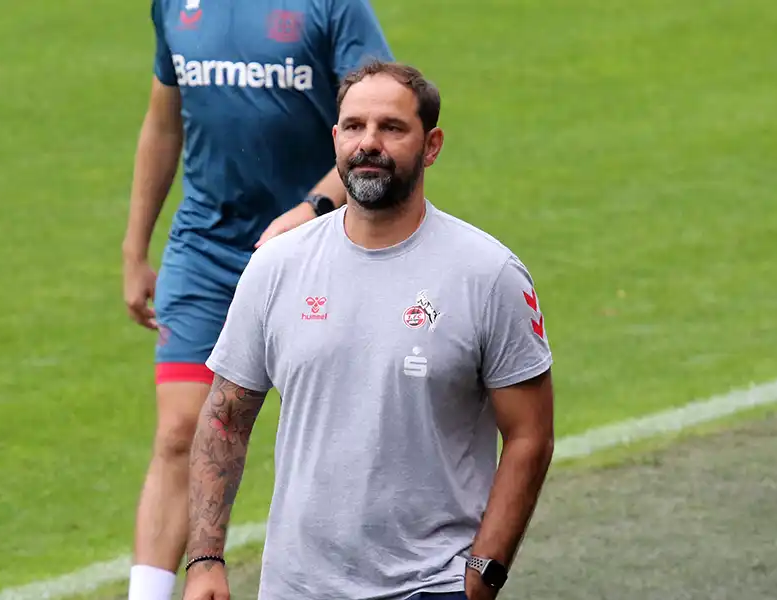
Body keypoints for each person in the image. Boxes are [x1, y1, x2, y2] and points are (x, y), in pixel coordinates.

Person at [182, 60, 557, 600]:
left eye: (392, 128)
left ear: (431, 146)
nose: (369, 143)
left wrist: (482, 577)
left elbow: (529, 437)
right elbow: (224, 421)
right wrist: (204, 560)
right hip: (296, 589)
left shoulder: (488, 274)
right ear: (335, 139)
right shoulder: (276, 267)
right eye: (355, 127)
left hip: (431, 586)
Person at [121, 1, 394, 598]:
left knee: (340, 436)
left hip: (317, 245)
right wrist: (136, 247)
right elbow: (164, 123)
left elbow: (382, 123)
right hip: (206, 249)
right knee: (179, 431)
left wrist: (311, 211)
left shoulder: (332, 7)